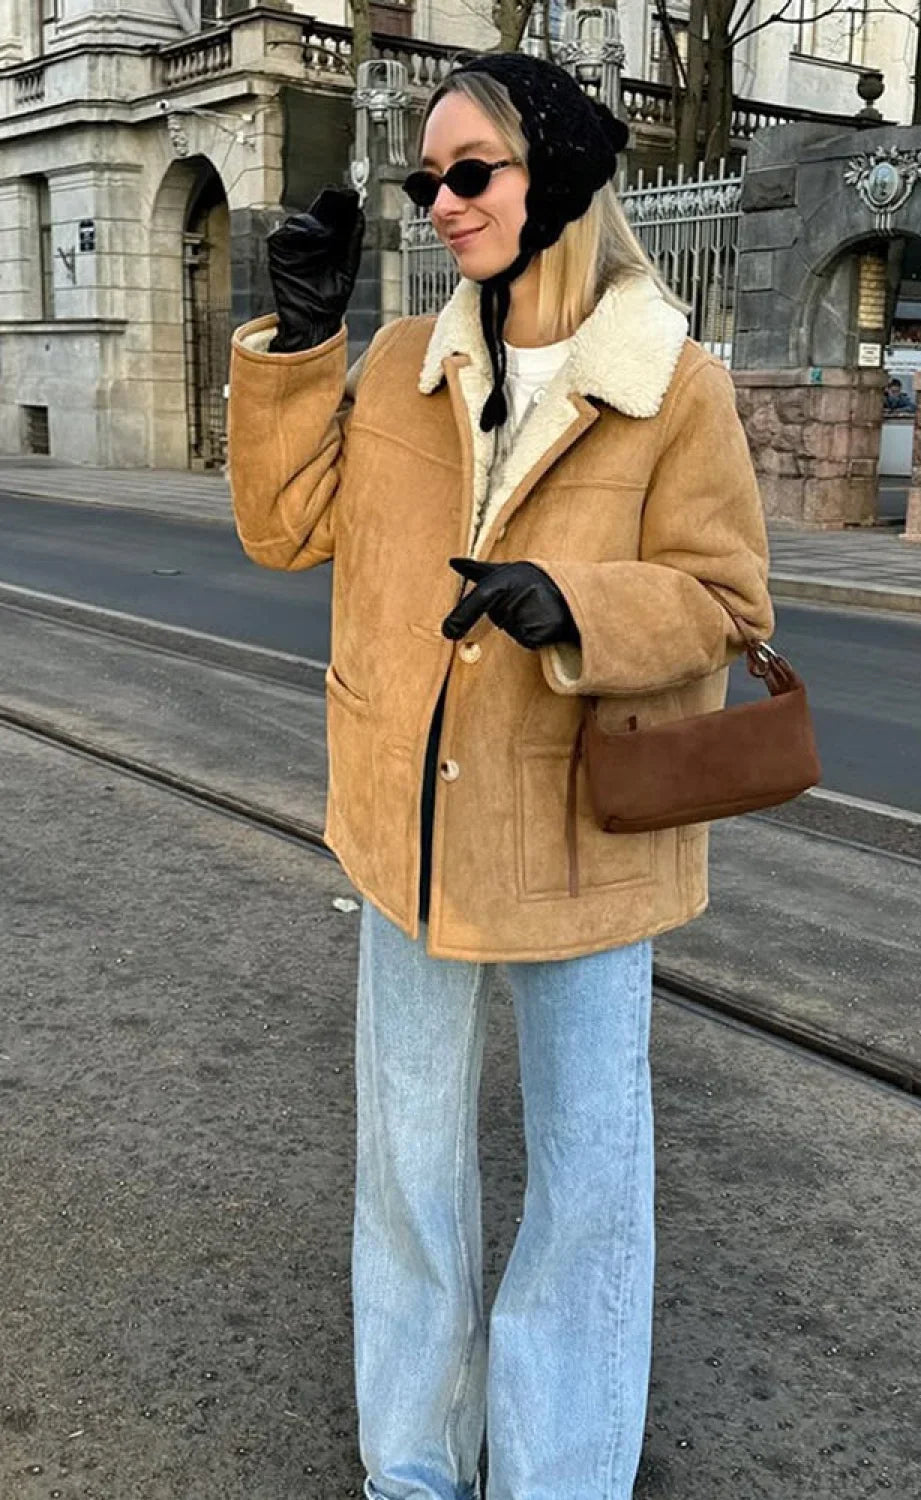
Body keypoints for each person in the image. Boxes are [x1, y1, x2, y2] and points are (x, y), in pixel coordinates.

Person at [227, 51, 774, 1500]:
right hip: (407, 832)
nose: (444, 201)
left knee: (588, 1191)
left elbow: (728, 601)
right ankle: (411, 1467)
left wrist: (579, 607)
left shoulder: (675, 386)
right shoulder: (409, 363)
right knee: (406, 1174)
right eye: (430, 179)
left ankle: (562, 1473)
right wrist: (296, 345)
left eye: (473, 171)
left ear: (563, 180)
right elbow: (284, 532)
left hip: (585, 838)